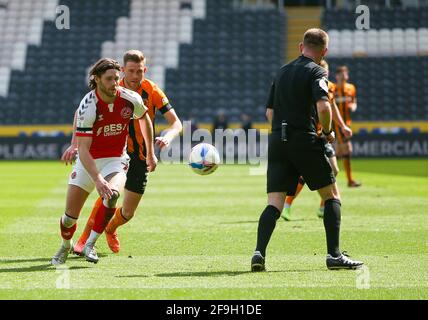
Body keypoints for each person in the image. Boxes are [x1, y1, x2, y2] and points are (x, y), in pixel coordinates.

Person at [251, 28, 363, 272]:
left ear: (301, 46)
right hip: (304, 139)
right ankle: (334, 256)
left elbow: (269, 113)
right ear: (324, 51)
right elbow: (324, 107)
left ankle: (258, 252)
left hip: (277, 142)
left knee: (275, 203)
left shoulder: (281, 72)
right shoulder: (318, 71)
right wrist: (327, 131)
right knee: (332, 195)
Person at [62, 50, 182, 254]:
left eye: (140, 71)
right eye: (131, 71)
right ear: (123, 70)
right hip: (115, 153)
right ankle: (84, 242)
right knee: (108, 193)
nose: (135, 76)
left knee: (128, 212)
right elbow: (80, 112)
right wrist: (75, 143)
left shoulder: (151, 91)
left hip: (142, 155)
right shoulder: (111, 87)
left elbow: (176, 123)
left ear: (145, 70)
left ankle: (110, 228)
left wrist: (165, 139)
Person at [51, 58, 155, 265]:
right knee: (69, 218)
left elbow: (144, 118)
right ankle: (65, 245)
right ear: (97, 79)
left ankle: (90, 244)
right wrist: (98, 180)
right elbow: (83, 149)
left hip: (115, 160)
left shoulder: (129, 98)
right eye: (109, 79)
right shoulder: (88, 105)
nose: (114, 83)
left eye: (117, 78)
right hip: (87, 161)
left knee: (112, 194)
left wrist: (150, 152)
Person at [282, 59, 353, 220]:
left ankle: (322, 207)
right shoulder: (308, 86)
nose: (324, 75)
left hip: (323, 134)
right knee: (307, 173)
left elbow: (331, 106)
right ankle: (287, 205)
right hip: (311, 133)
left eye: (326, 72)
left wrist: (342, 126)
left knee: (334, 170)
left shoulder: (330, 87)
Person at [333, 65, 361, 188]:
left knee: (341, 153)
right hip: (336, 125)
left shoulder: (351, 88)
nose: (344, 76)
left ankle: (345, 179)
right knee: (345, 151)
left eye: (345, 74)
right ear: (337, 76)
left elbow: (354, 101)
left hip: (346, 124)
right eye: (341, 74)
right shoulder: (333, 89)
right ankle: (346, 180)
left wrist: (353, 106)